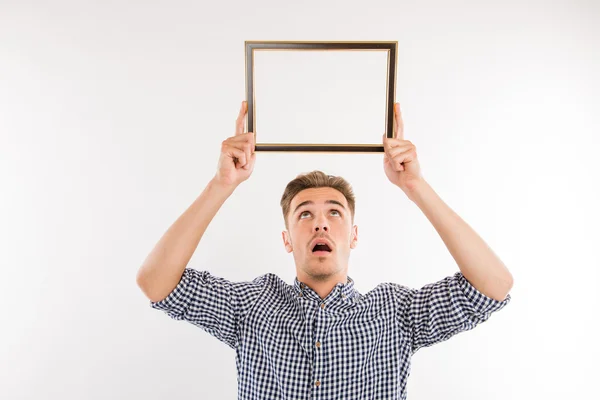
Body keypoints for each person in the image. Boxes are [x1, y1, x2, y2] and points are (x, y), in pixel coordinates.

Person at [136, 101, 513, 399]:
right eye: (304, 215)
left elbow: (494, 285)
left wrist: (415, 186)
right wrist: (222, 184)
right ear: (286, 239)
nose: (320, 223)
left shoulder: (394, 313)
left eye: (335, 213)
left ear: (353, 236)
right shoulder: (251, 306)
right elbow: (155, 282)